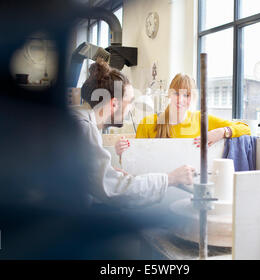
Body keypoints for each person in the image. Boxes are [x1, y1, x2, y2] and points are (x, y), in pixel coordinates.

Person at [71, 59, 195, 208]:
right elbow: (117, 190)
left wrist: (107, 174)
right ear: (114, 104)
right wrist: (170, 179)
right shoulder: (84, 129)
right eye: (129, 102)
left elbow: (93, 180)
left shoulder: (81, 122)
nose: (131, 109)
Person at [115, 73, 250, 156]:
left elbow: (246, 128)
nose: (181, 100)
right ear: (169, 93)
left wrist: (222, 132)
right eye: (176, 93)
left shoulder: (201, 119)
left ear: (193, 97)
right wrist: (123, 153)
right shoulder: (148, 122)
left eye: (186, 95)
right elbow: (137, 161)